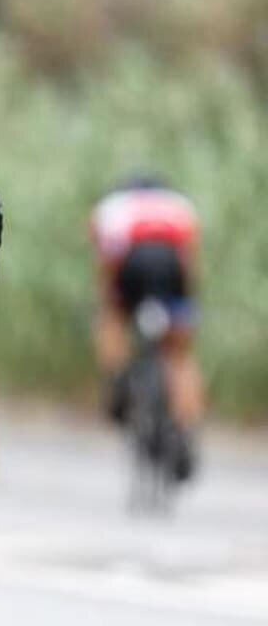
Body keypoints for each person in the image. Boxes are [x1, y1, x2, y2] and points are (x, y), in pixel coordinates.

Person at [89, 174, 203, 478]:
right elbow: (190, 264)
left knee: (111, 317)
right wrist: (184, 314)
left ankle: (117, 381)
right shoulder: (179, 206)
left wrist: (110, 304)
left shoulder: (112, 206)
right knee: (178, 354)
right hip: (171, 264)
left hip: (132, 263)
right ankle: (185, 431)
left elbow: (106, 263)